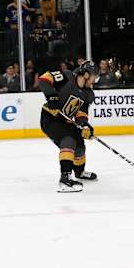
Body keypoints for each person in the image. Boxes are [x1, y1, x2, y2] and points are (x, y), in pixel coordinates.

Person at [38, 60, 98, 192]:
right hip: (50, 118)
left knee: (80, 146)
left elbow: (81, 112)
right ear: (86, 75)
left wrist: (84, 125)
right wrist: (52, 96)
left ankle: (79, 172)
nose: (95, 80)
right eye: (94, 76)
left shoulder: (88, 94)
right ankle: (65, 179)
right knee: (68, 140)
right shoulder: (66, 76)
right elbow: (43, 79)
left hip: (65, 121)